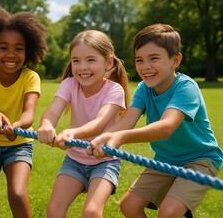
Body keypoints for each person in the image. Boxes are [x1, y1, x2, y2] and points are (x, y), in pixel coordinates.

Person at [88, 24, 223, 218]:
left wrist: (119, 138)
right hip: (166, 159)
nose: (145, 67)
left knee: (168, 212)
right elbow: (127, 121)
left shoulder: (186, 87)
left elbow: (166, 127)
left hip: (200, 160)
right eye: (139, 60)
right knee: (129, 206)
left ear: (175, 60)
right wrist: (104, 138)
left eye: (154, 58)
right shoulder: (144, 89)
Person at [37, 30, 129, 218]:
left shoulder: (114, 90)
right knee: (54, 210)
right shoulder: (69, 84)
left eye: (91, 60)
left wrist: (72, 133)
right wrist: (46, 124)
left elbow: (99, 123)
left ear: (108, 62)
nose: (82, 67)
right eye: (76, 60)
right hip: (74, 160)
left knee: (91, 212)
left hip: (104, 161)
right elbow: (53, 111)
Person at [0, 5, 47, 218]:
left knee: (17, 194)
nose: (11, 54)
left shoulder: (30, 77)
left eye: (19, 48)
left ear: (28, 51)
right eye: (3, 48)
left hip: (19, 145)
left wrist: (18, 126)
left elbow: (29, 113)